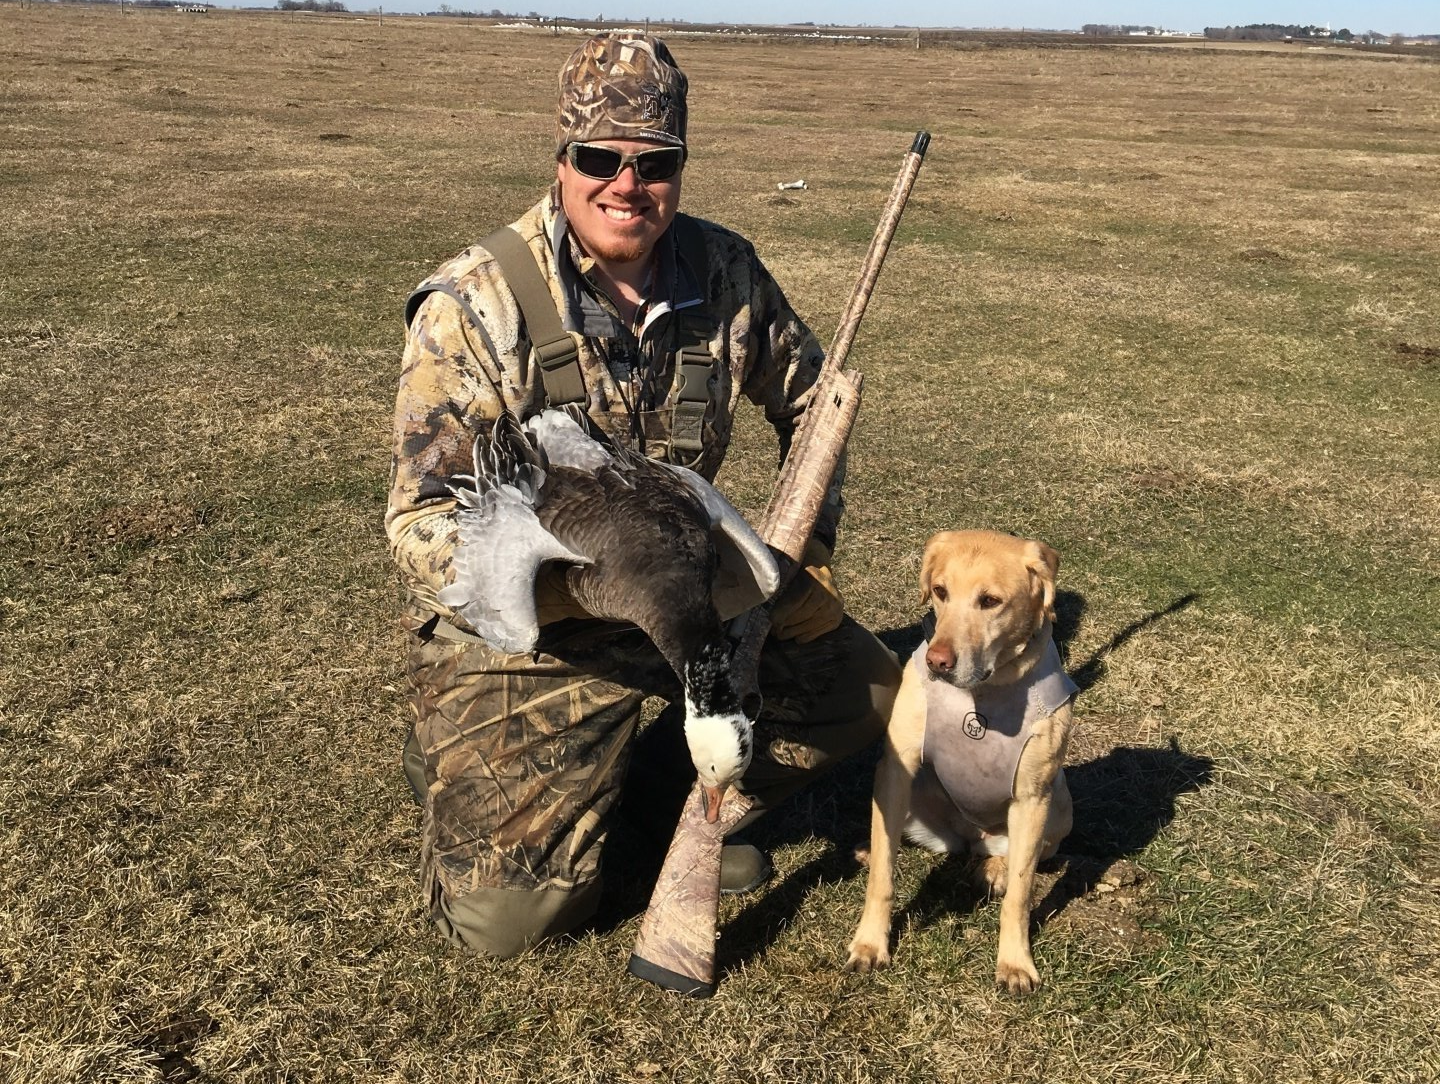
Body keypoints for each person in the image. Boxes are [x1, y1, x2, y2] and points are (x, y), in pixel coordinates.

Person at [386, 32, 901, 958]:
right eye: (601, 159)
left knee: (862, 690)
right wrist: (557, 588)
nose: (628, 185)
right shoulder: (474, 303)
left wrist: (809, 548)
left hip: (687, 604)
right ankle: (475, 764)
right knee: (508, 926)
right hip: (534, 636)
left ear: (679, 167)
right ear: (562, 160)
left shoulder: (726, 273)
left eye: (655, 163)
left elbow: (815, 405)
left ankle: (670, 799)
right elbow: (419, 521)